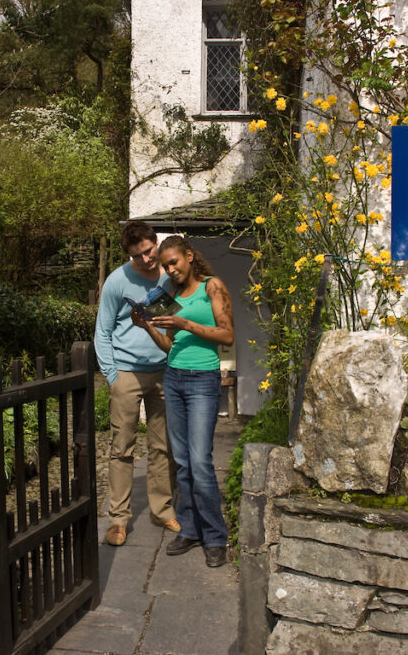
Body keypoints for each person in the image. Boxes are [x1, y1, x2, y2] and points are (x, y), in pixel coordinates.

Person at [132, 235, 233, 568]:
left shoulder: (212, 287)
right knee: (183, 462)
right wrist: (147, 325)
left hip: (203, 380)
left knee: (200, 461)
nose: (170, 269)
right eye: (165, 265)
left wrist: (185, 322)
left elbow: (227, 335)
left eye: (174, 262)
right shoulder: (170, 295)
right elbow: (169, 347)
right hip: (173, 378)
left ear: (190, 257)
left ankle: (216, 537)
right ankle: (190, 530)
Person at [95, 221, 179, 546]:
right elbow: (102, 332)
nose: (146, 259)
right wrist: (113, 378)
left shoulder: (167, 277)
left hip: (162, 372)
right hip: (126, 374)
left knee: (162, 446)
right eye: (138, 255)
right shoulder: (117, 282)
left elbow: (172, 324)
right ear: (129, 254)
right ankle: (118, 519)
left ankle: (162, 509)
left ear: (154, 241)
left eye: (149, 250)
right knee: (121, 449)